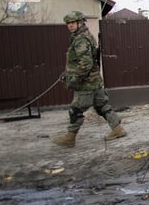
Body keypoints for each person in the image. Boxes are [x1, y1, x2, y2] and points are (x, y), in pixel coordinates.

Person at [51, 11, 126, 147]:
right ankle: (118, 129)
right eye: (68, 23)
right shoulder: (84, 36)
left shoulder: (81, 39)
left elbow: (85, 64)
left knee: (76, 110)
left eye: (73, 23)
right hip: (94, 80)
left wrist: (74, 79)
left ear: (80, 23)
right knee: (102, 106)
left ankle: (70, 138)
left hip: (85, 83)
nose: (70, 26)